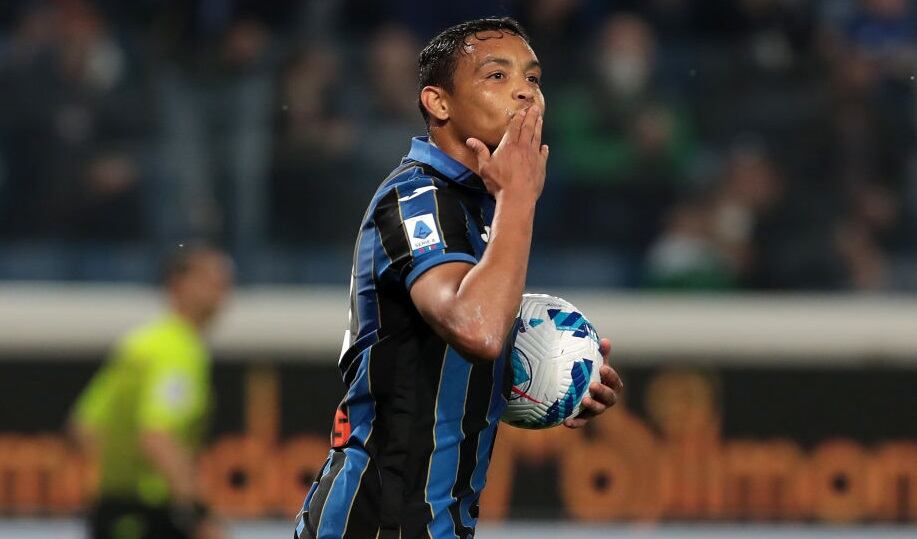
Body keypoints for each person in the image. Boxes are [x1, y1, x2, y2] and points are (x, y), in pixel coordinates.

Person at [294, 17, 623, 539]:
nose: (524, 91)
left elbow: (461, 350)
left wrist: (558, 378)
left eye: (533, 79)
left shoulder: (481, 207)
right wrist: (518, 198)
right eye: (496, 76)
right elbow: (476, 328)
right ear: (437, 102)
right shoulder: (418, 197)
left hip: (437, 521)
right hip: (375, 521)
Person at [69, 245, 233, 539]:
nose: (223, 290)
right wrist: (198, 516)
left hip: (110, 514)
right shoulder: (178, 352)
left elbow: (85, 426)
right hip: (151, 516)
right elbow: (157, 436)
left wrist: (117, 473)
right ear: (179, 285)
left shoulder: (140, 343)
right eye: (211, 279)